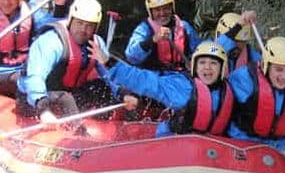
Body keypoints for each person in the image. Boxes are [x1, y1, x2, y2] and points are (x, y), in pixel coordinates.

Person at [17, 0, 137, 124]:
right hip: (36, 99)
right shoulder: (51, 42)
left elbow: (109, 75)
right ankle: (79, 134)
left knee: (102, 88)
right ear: (70, 21)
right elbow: (35, 77)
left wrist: (124, 94)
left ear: (95, 28)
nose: (83, 30)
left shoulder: (96, 44)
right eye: (79, 23)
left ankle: (115, 130)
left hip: (69, 92)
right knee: (66, 99)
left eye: (89, 26)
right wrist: (43, 110)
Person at [93, 41, 233, 138]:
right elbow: (144, 80)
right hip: (173, 141)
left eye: (213, 63)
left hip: (212, 147)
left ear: (222, 69)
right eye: (202, 62)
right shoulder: (181, 87)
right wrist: (109, 63)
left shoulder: (228, 91)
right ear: (195, 67)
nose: (207, 67)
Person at [124, 0, 201, 73]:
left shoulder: (184, 26)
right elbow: (131, 56)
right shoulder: (144, 29)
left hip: (181, 75)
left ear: (172, 8)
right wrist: (152, 40)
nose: (162, 13)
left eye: (166, 8)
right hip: (154, 77)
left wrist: (194, 63)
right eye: (157, 10)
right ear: (151, 11)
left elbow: (198, 50)